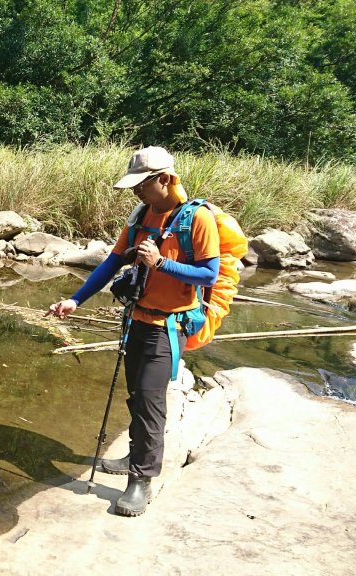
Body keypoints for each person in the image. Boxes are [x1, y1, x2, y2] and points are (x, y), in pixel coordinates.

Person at [47, 146, 220, 517]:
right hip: (136, 320)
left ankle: (140, 481)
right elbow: (112, 262)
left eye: (141, 185)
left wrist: (162, 264)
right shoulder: (141, 215)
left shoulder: (198, 220)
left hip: (168, 326)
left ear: (164, 179)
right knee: (135, 396)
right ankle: (133, 455)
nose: (135, 192)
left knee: (149, 401)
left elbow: (209, 275)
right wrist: (76, 300)